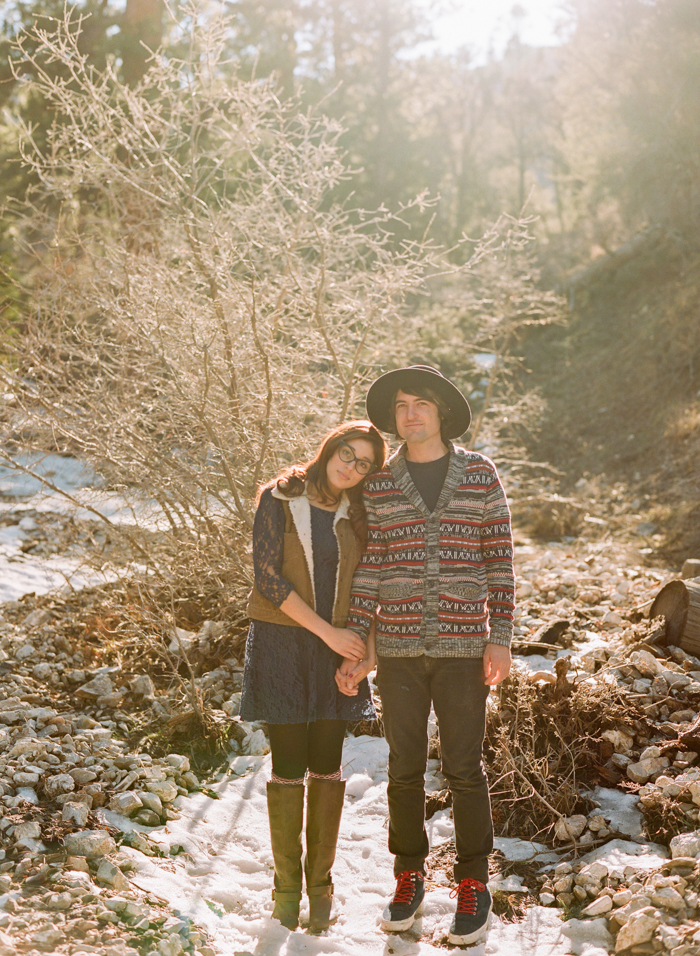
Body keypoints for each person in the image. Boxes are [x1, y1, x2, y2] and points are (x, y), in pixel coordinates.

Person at [337, 365, 514, 946]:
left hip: (467, 648)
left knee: (465, 768)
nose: (410, 414)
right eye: (402, 406)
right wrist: (359, 639)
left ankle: (473, 883)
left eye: (422, 404)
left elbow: (499, 560)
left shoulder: (480, 474)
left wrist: (502, 635)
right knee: (405, 770)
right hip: (401, 649)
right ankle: (407, 877)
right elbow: (371, 567)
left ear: (441, 413)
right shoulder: (381, 485)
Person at [240, 420, 386, 934]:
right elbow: (266, 576)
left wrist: (363, 650)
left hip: (340, 650)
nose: (350, 466)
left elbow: (373, 585)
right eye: (346, 453)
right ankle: (285, 894)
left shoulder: (360, 515)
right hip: (284, 641)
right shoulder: (279, 497)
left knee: (326, 762)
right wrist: (328, 633)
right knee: (288, 764)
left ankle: (320, 894)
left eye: (363, 463)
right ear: (330, 449)